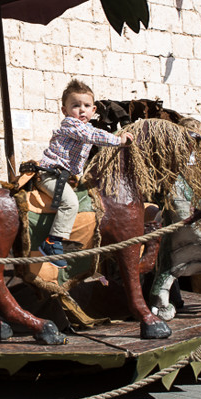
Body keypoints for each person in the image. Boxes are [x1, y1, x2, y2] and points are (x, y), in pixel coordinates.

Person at [37, 78, 134, 265]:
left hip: (69, 176)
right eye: (75, 105)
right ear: (64, 110)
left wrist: (119, 139)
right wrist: (119, 141)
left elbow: (98, 137)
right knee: (70, 203)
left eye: (87, 105)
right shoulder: (70, 125)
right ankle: (52, 241)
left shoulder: (88, 127)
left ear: (94, 110)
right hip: (51, 173)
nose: (82, 110)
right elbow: (93, 136)